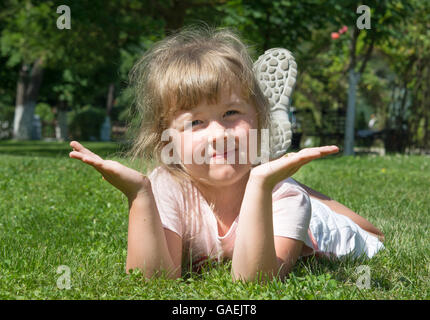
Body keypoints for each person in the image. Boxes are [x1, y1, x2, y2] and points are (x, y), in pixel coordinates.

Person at [69, 26, 384, 282]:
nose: (218, 134)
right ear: (167, 141)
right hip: (271, 183)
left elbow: (254, 283)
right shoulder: (167, 185)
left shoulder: (284, 199)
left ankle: (282, 174)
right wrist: (139, 195)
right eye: (196, 122)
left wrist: (261, 186)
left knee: (370, 231)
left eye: (232, 112)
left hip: (322, 230)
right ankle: (268, 162)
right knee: (287, 187)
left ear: (258, 119)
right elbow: (152, 281)